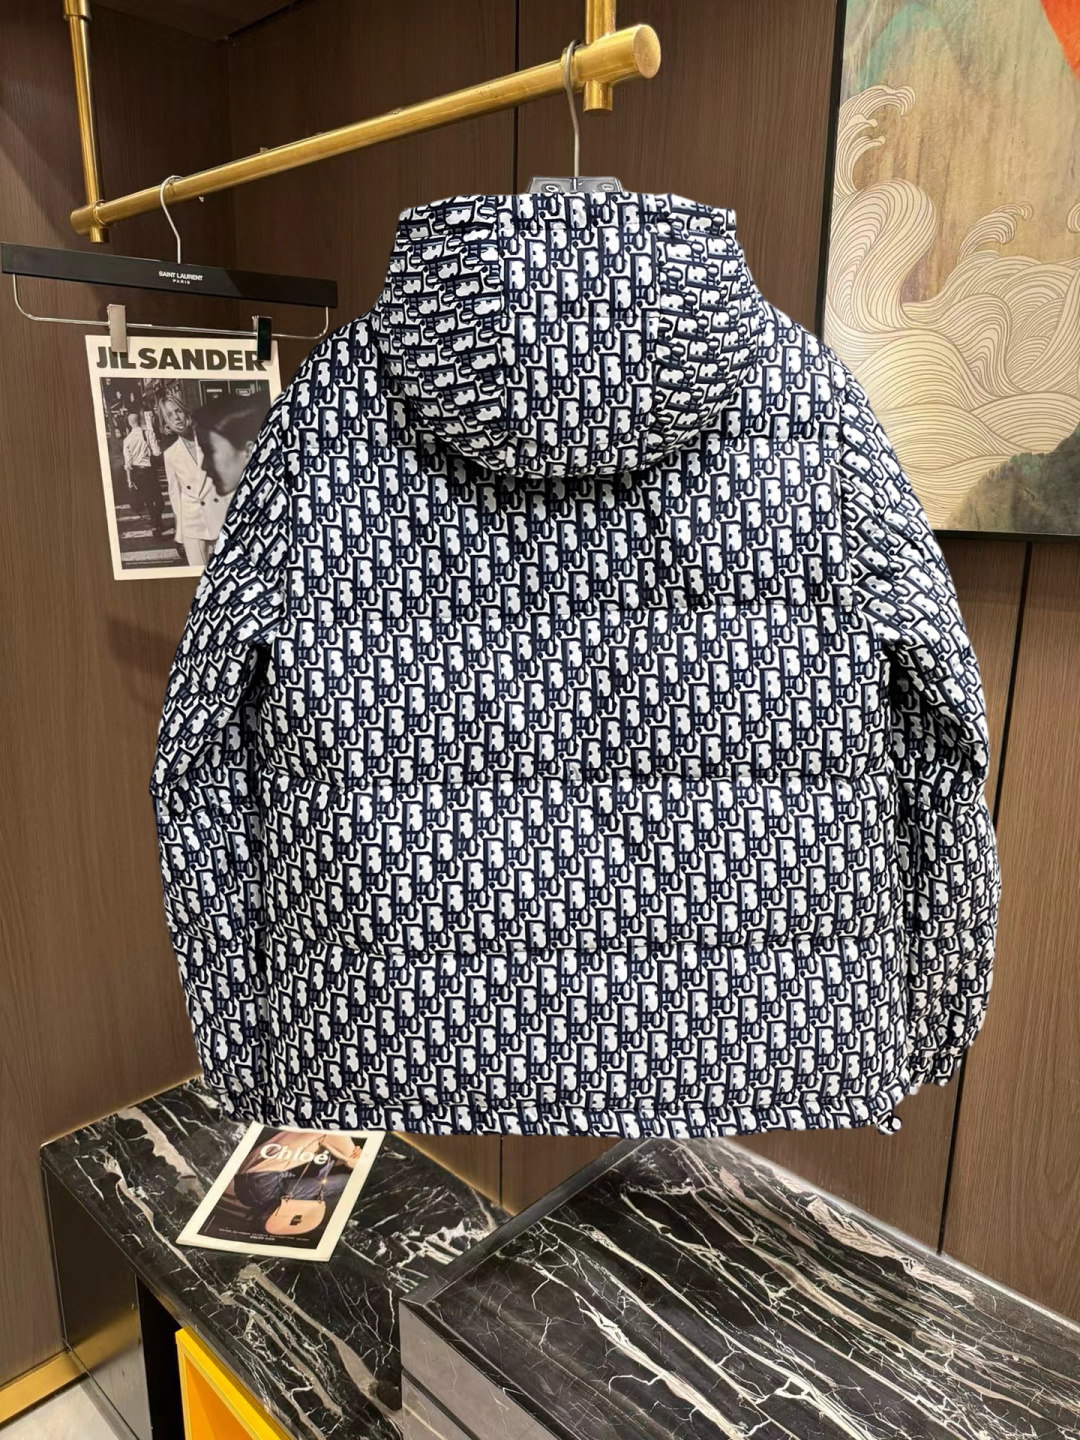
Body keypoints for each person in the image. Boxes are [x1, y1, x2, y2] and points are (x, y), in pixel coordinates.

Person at [160, 396, 230, 567]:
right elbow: (175, 495)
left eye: (178, 411)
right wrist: (180, 534)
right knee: (198, 575)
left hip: (222, 515)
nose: (176, 418)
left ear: (186, 413)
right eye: (169, 415)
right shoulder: (170, 455)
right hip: (192, 522)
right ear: (166, 424)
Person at [121, 412, 165, 539]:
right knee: (159, 499)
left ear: (129, 423)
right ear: (140, 420)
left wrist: (129, 481)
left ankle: (155, 524)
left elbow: (128, 464)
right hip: (150, 471)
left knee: (148, 500)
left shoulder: (127, 440)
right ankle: (157, 523)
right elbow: (157, 452)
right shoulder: (148, 434)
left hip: (137, 473)